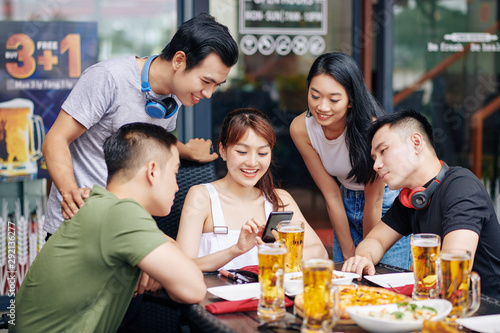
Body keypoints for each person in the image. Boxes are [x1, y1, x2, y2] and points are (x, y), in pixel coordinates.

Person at [41, 13, 239, 237]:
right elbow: (55, 139)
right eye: (206, 81)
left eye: (216, 85)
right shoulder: (108, 78)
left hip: (124, 229)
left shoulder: (174, 95)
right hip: (78, 227)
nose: (209, 93)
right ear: (179, 60)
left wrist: (188, 151)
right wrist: (70, 194)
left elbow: (149, 137)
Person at [13, 123, 206, 332]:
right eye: (175, 173)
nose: (177, 186)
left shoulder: (100, 204)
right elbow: (193, 289)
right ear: (152, 171)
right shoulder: (121, 213)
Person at [342, 108, 500, 299]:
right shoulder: (412, 198)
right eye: (374, 158)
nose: (376, 165)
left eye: (383, 151)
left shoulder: (462, 186)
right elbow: (375, 240)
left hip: (483, 313)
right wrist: (364, 258)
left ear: (416, 143)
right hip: (438, 304)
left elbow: (453, 267)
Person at [290, 52, 411, 268]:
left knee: (382, 283)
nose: (322, 107)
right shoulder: (301, 129)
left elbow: (373, 201)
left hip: (385, 206)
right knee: (346, 282)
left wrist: (366, 254)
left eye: (334, 99)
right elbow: (331, 194)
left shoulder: (371, 130)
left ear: (351, 101)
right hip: (344, 202)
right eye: (315, 96)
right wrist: (348, 251)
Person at [176, 108, 328, 271]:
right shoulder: (202, 196)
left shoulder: (279, 199)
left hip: (268, 294)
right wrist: (236, 250)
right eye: (242, 152)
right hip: (215, 295)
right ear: (223, 150)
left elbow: (320, 253)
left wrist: (283, 254)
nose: (252, 162)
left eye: (262, 153)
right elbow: (180, 267)